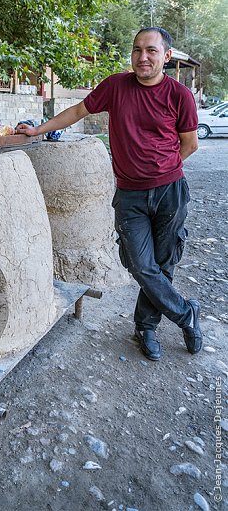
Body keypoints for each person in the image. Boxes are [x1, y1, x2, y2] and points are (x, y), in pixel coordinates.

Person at [16, 27, 202, 361]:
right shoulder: (116, 86)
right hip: (129, 194)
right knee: (140, 265)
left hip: (169, 192)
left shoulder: (180, 96)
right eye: (136, 50)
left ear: (166, 56)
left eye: (151, 51)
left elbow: (190, 144)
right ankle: (186, 314)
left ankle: (145, 328)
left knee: (163, 262)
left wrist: (160, 169)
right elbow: (77, 112)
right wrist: (39, 129)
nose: (142, 57)